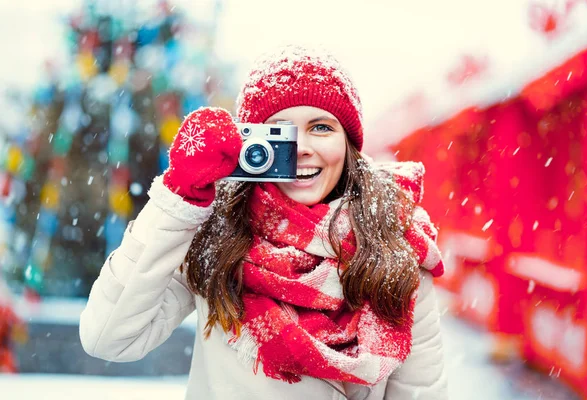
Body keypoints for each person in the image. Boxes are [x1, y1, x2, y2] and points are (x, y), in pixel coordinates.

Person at [80, 44, 448, 399]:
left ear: (349, 144)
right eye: (280, 132)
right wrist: (178, 200)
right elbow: (109, 338)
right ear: (249, 143)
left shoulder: (396, 249)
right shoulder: (218, 234)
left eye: (321, 127)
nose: (301, 148)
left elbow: (421, 393)